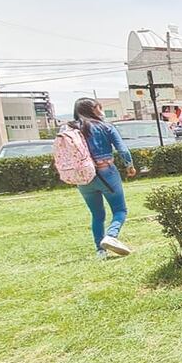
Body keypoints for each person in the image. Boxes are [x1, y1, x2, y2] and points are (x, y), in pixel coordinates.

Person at [69, 97, 135, 258]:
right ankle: (111, 236)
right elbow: (123, 150)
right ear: (93, 109)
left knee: (97, 215)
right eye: (99, 107)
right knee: (120, 210)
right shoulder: (105, 127)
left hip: (83, 176)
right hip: (106, 171)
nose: (101, 110)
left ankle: (100, 251)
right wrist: (129, 166)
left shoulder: (71, 129)